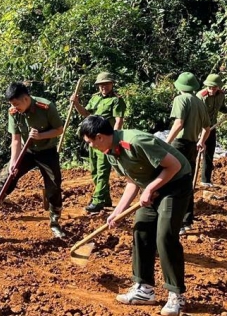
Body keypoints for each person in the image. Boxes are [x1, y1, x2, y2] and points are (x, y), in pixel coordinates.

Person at [80, 115, 192, 316]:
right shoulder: (111, 152)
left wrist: (149, 189)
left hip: (175, 183)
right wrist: (117, 212)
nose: (89, 146)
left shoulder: (136, 141)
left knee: (165, 236)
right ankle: (144, 288)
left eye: (89, 142)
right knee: (141, 227)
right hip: (154, 186)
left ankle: (176, 296)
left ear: (99, 137)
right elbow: (132, 182)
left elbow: (174, 166)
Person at [0, 82, 66, 238]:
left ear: (26, 98)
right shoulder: (13, 112)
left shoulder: (46, 107)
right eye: (12, 104)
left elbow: (59, 130)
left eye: (17, 104)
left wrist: (41, 136)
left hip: (47, 151)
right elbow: (15, 139)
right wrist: (13, 162)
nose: (15, 107)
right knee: (5, 178)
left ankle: (55, 223)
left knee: (54, 186)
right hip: (26, 151)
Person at [70, 71, 126, 213]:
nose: (103, 87)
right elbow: (86, 114)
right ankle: (105, 198)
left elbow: (118, 121)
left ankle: (98, 200)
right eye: (101, 85)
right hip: (92, 140)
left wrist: (114, 139)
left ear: (112, 84)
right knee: (94, 170)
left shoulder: (116, 100)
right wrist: (76, 103)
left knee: (102, 170)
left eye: (106, 84)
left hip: (105, 140)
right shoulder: (95, 98)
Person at [164, 72, 210, 234]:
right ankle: (187, 220)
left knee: (172, 182)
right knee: (186, 182)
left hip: (179, 145)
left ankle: (175, 222)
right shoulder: (199, 102)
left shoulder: (180, 99)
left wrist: (166, 143)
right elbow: (207, 128)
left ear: (179, 86)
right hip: (192, 145)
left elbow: (178, 123)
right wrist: (201, 141)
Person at [197, 74, 227, 187]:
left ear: (219, 87)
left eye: (214, 88)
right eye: (210, 88)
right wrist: (201, 135)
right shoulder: (201, 97)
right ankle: (187, 180)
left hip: (212, 128)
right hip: (199, 128)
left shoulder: (221, 95)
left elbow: (222, 108)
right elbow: (197, 115)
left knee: (209, 154)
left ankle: (205, 180)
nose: (212, 90)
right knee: (195, 153)